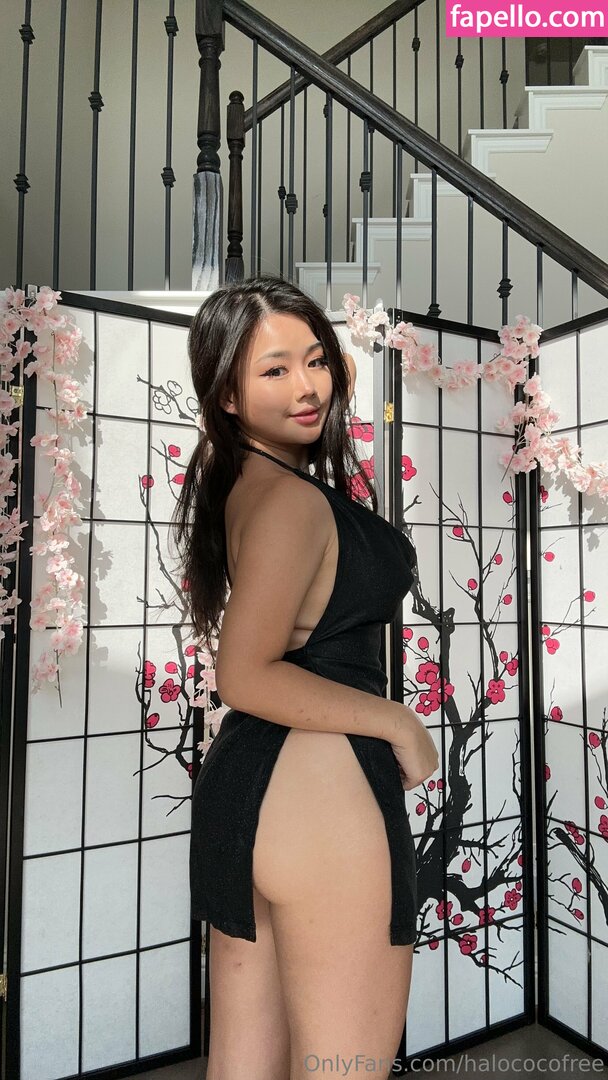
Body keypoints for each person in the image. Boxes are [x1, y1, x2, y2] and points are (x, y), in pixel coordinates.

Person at [172, 275, 439, 1080]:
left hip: (246, 794)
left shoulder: (245, 486)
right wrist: (398, 722)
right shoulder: (289, 502)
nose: (308, 386)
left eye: (316, 360)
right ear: (226, 395)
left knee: (244, 1067)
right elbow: (245, 673)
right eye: (275, 369)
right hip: (320, 800)